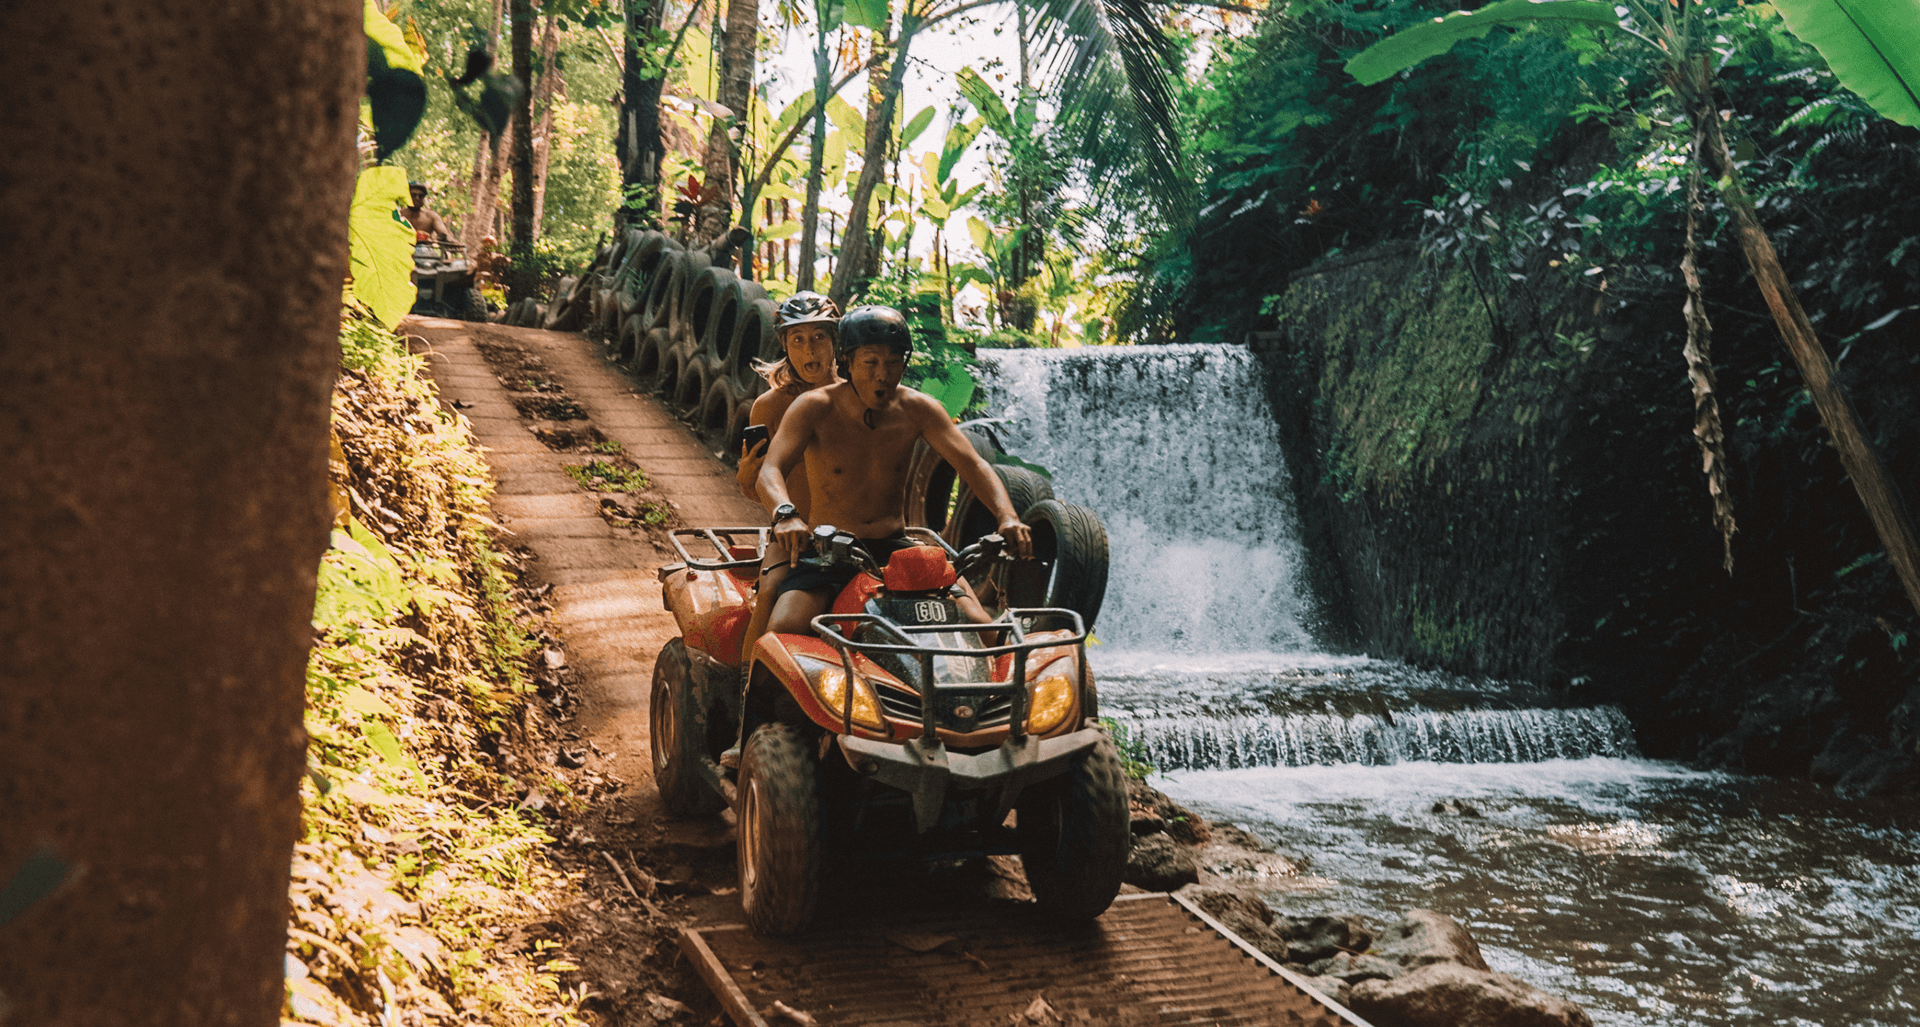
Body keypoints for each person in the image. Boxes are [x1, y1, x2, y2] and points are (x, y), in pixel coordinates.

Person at [755, 305, 1033, 641]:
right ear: (847, 362)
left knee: (979, 623)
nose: (882, 375)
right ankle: (748, 687)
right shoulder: (814, 407)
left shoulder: (919, 409)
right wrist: (785, 514)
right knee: (784, 630)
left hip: (895, 548)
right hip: (829, 552)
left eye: (893, 362)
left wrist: (1007, 516)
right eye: (870, 362)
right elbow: (770, 469)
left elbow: (973, 465)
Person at [732, 291, 841, 662]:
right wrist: (747, 477)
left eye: (818, 338)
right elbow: (753, 488)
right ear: (785, 345)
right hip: (794, 536)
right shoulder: (770, 406)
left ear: (835, 341)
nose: (809, 350)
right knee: (771, 592)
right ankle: (747, 693)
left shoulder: (858, 398)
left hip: (855, 535)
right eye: (798, 340)